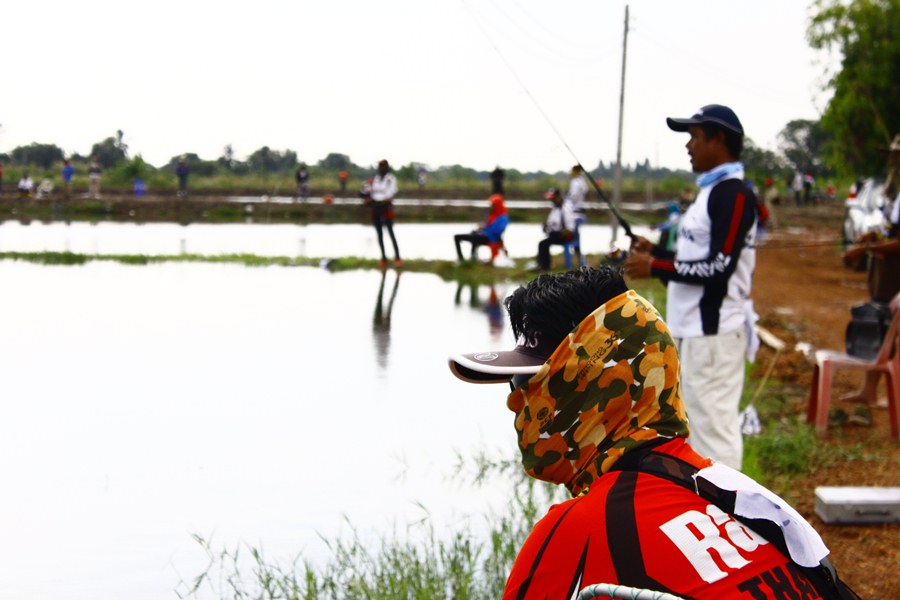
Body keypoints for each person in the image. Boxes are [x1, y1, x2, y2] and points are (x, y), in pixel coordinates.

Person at [448, 267, 853, 600]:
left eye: (525, 383)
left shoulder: (574, 532)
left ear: (590, 384)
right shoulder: (746, 499)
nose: (515, 404)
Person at [623, 104, 758, 472]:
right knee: (695, 433)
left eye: (694, 137)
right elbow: (693, 262)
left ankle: (731, 519)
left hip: (713, 333)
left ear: (718, 140)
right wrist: (659, 254)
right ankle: (709, 515)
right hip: (692, 333)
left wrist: (655, 265)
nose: (688, 145)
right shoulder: (709, 192)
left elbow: (718, 267)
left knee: (715, 433)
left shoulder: (733, 194)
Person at [453, 193, 509, 263]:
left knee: (474, 237)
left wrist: (485, 227)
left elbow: (497, 231)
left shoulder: (503, 218)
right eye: (491, 204)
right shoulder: (490, 215)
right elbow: (485, 225)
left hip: (491, 239)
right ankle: (461, 259)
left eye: (493, 205)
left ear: (498, 205)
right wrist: (480, 227)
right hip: (481, 235)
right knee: (457, 237)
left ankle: (473, 259)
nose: (491, 206)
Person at [368, 159, 401, 267]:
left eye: (382, 166)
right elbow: (373, 192)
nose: (380, 168)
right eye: (379, 166)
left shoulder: (390, 179)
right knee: (379, 233)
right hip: (376, 207)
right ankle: (383, 258)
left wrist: (380, 200)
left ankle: (397, 258)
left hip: (386, 207)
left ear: (386, 167)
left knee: (390, 232)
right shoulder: (376, 179)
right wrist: (370, 200)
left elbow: (390, 194)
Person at [535, 187, 576, 270]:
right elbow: (550, 223)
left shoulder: (566, 209)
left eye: (553, 198)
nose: (552, 200)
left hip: (565, 237)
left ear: (559, 197)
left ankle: (545, 266)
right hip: (556, 235)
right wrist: (546, 227)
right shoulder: (555, 209)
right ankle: (543, 265)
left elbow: (570, 229)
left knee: (543, 244)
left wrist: (559, 233)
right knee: (543, 243)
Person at [565, 164, 589, 267]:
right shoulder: (583, 182)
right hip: (580, 211)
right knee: (576, 239)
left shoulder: (575, 182)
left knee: (573, 239)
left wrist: (565, 204)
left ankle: (579, 262)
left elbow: (573, 197)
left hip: (573, 212)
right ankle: (581, 262)